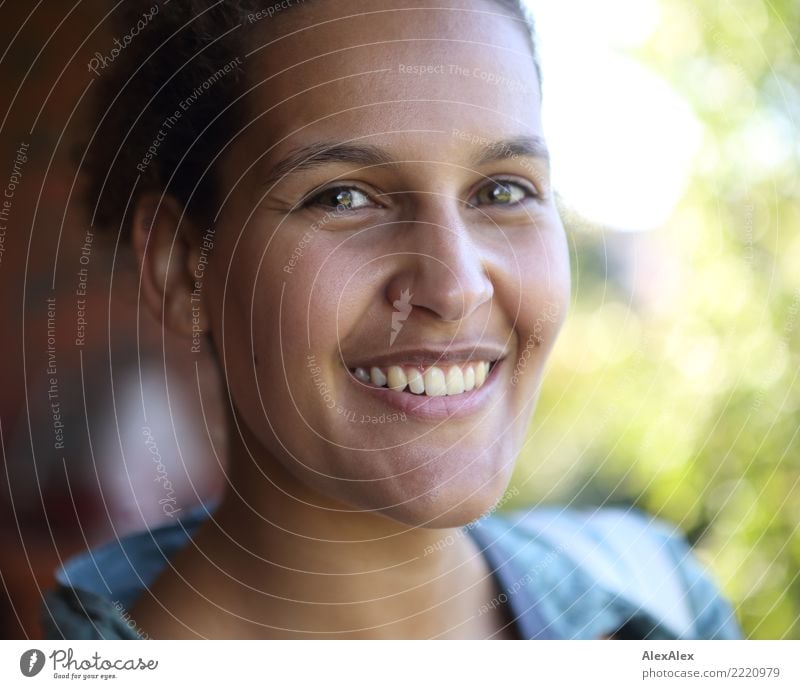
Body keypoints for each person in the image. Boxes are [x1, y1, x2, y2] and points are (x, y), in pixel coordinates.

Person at [43, 0, 741, 640]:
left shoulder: (662, 604)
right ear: (181, 263)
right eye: (344, 197)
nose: (456, 285)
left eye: (503, 189)